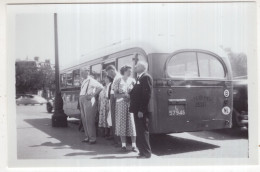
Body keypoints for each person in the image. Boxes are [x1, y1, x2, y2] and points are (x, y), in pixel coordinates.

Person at [129, 61, 153, 158]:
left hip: (141, 110)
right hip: (136, 110)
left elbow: (146, 95)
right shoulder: (139, 78)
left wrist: (141, 110)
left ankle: (146, 153)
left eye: (137, 65)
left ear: (143, 67)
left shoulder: (146, 77)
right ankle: (142, 151)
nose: (135, 66)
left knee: (142, 131)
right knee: (139, 131)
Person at [113, 65, 137, 152]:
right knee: (122, 123)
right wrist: (124, 95)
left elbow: (136, 93)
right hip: (121, 104)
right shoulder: (117, 81)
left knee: (132, 124)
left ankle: (134, 145)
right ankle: (123, 145)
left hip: (130, 104)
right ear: (124, 71)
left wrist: (130, 96)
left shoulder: (133, 81)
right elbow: (115, 95)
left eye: (131, 71)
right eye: (129, 71)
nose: (130, 72)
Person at [79, 67, 103, 144]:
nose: (81, 74)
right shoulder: (84, 81)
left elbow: (100, 87)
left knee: (89, 120)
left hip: (88, 100)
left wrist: (93, 95)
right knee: (84, 119)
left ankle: (92, 138)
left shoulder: (91, 80)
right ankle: (87, 137)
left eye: (82, 72)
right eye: (81, 73)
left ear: (87, 72)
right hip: (82, 99)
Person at [105, 65, 121, 146]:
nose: (109, 75)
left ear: (112, 70)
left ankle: (118, 141)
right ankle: (116, 140)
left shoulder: (118, 78)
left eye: (109, 73)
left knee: (115, 119)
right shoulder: (115, 78)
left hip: (115, 98)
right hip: (113, 98)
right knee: (113, 119)